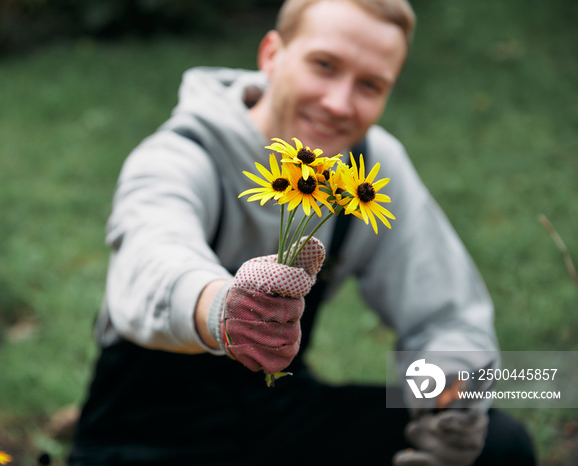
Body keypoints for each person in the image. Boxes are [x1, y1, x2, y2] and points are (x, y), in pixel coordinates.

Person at [68, 0, 536, 464]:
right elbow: (152, 265)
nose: (338, 103)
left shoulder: (368, 170)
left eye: (370, 85)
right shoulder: (181, 157)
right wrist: (227, 311)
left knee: (500, 445)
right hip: (145, 435)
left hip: (276, 417)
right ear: (272, 55)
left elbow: (447, 313)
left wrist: (449, 401)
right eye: (324, 65)